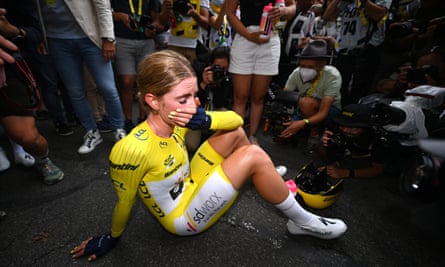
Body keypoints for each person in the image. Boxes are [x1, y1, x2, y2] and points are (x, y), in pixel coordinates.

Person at [70, 50, 347, 261]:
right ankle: (303, 221)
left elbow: (236, 119)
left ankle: (267, 176)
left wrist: (203, 120)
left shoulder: (176, 117)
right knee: (252, 154)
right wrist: (111, 238)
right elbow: (125, 202)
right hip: (181, 217)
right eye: (184, 99)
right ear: (153, 101)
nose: (193, 105)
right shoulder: (131, 148)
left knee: (236, 134)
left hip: (190, 180)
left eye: (194, 95)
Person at [39, 0, 126, 154]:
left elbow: (103, 6)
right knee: (75, 91)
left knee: (107, 87)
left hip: (90, 37)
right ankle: (91, 131)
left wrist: (108, 38)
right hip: (57, 40)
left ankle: (119, 129)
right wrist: (41, 37)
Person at [0, 4, 64, 185]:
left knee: (29, 137)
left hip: (8, 69)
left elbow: (35, 33)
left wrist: (13, 31)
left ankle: (43, 160)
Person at [227, 0, 297, 145]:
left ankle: (252, 136)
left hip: (270, 40)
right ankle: (236, 138)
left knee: (258, 97)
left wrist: (283, 11)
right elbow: (230, 13)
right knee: (240, 96)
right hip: (245, 38)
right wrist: (249, 35)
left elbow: (293, 7)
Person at [323, 0, 392, 106]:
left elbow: (379, 14)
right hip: (344, 51)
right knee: (338, 92)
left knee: (358, 95)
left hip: (366, 51)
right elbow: (328, 15)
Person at [111, 0, 164, 133]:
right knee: (126, 81)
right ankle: (127, 120)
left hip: (146, 41)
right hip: (122, 38)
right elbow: (106, 13)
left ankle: (143, 117)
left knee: (145, 81)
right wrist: (122, 16)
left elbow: (156, 19)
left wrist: (153, 27)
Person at [279, 40, 341, 152]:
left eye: (310, 67)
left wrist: (303, 123)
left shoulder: (332, 75)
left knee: (307, 103)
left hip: (328, 111)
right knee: (282, 134)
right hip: (303, 108)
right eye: (302, 65)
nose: (305, 70)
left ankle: (314, 133)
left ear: (322, 65)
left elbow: (323, 112)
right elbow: (285, 95)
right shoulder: (297, 73)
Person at [318, 103, 391, 179]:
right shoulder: (336, 126)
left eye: (352, 128)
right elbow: (323, 153)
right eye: (342, 125)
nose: (345, 130)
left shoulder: (378, 138)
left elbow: (378, 169)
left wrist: (345, 173)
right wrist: (323, 143)